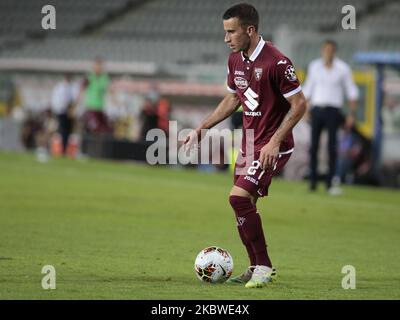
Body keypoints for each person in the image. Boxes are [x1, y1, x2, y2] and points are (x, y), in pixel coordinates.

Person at [184, 3, 306, 288]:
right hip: (249, 144)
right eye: (225, 32)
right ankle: (254, 267)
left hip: (274, 145)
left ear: (250, 30)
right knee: (244, 204)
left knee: (237, 198)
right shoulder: (235, 60)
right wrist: (201, 128)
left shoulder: (277, 62)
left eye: (231, 32)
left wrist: (274, 142)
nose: (226, 38)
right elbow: (233, 99)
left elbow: (300, 105)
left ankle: (264, 266)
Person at [303, 40, 359, 194]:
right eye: (326, 50)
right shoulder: (314, 66)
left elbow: (352, 92)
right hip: (317, 110)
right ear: (322, 50)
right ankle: (313, 182)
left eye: (331, 50)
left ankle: (330, 182)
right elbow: (308, 88)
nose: (328, 53)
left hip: (333, 111)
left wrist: (351, 115)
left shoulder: (343, 69)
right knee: (313, 146)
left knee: (332, 148)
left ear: (334, 51)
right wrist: (305, 109)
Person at [51, 74, 76, 155]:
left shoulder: (68, 87)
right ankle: (61, 150)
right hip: (62, 112)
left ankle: (64, 150)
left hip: (65, 112)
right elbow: (63, 100)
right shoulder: (62, 87)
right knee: (63, 132)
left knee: (66, 132)